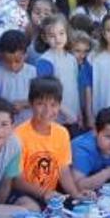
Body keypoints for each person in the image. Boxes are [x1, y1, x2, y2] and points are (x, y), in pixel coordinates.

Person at [12, 77, 86, 208]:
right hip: (24, 194)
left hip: (51, 195)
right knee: (31, 209)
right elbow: (17, 180)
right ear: (31, 103)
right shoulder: (18, 135)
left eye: (53, 105)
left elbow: (63, 171)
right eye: (41, 104)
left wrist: (76, 195)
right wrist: (45, 193)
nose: (47, 111)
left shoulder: (62, 133)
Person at [36, 15, 83, 132]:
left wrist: (79, 113)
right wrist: (66, 112)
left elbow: (75, 88)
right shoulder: (45, 61)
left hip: (74, 115)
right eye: (52, 36)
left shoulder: (71, 58)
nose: (58, 39)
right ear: (44, 38)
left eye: (61, 33)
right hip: (56, 118)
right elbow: (47, 92)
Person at [0, 30, 37, 124]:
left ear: (25, 55)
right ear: (1, 56)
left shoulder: (34, 73)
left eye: (17, 61)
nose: (13, 66)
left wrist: (25, 104)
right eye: (7, 61)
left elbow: (43, 98)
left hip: (30, 124)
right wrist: (7, 107)